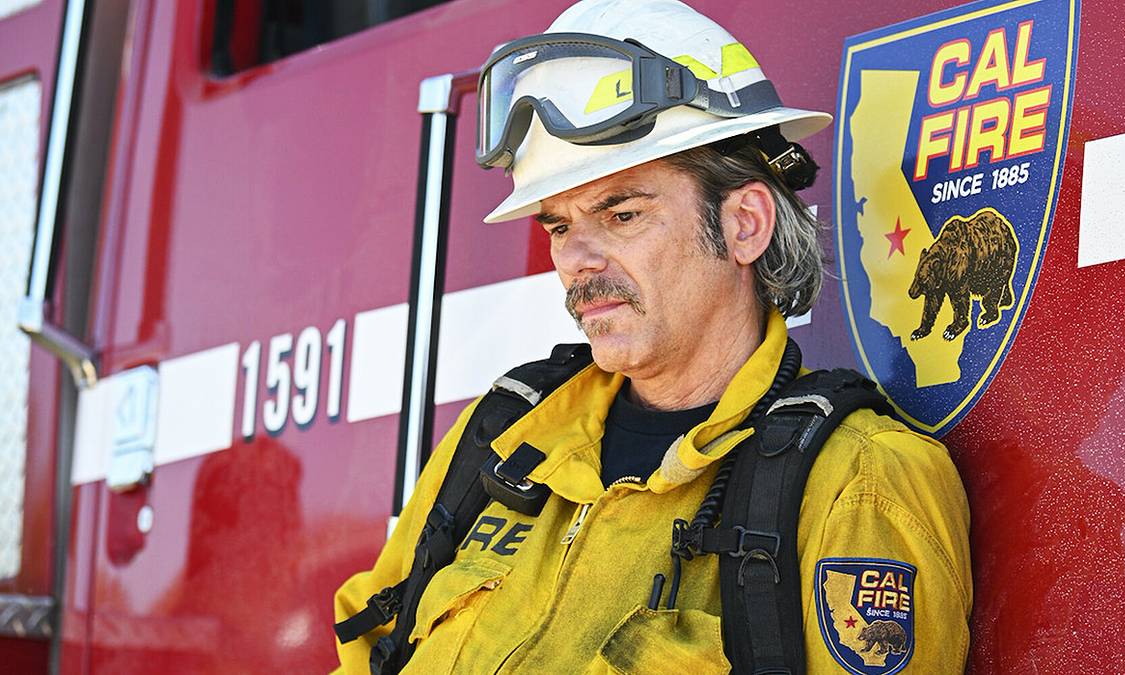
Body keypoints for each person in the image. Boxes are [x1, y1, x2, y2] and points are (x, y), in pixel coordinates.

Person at [333, 0, 971, 672]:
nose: (577, 259)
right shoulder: (502, 437)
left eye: (623, 214)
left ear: (745, 225)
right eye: (559, 226)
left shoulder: (858, 483)